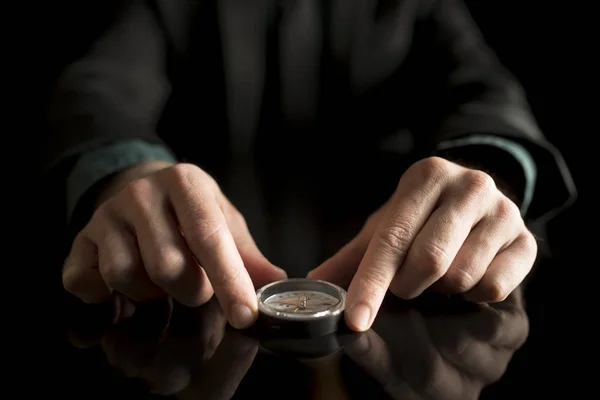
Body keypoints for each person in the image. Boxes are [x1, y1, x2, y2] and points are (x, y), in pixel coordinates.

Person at [44, 0, 575, 332]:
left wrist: (480, 172)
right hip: (191, 281)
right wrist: (128, 175)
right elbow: (97, 92)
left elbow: (485, 89)